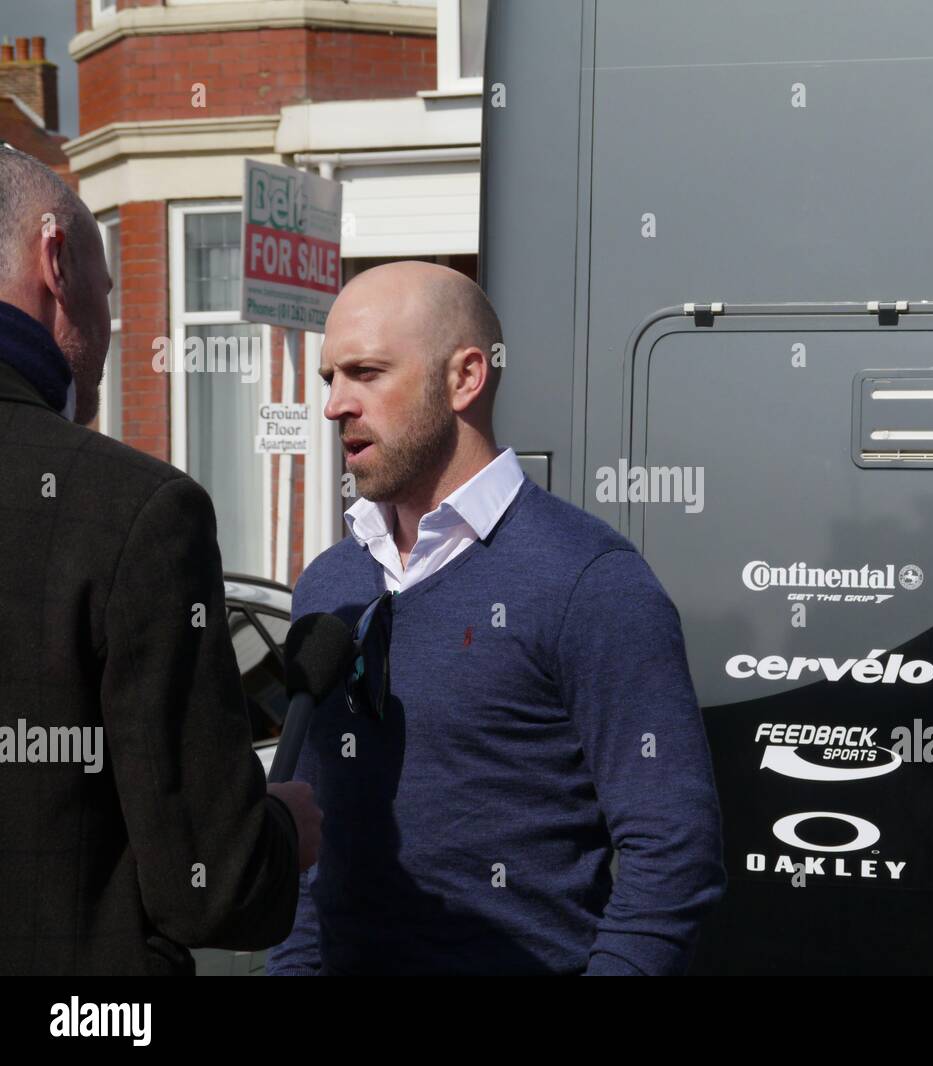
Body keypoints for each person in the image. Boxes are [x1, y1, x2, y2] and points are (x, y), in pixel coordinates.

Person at [267, 262, 725, 976]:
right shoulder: (331, 585)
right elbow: (304, 836)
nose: (334, 405)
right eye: (330, 379)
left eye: (365, 373)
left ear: (466, 378)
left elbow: (674, 851)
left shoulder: (588, 581)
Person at [0, 147, 320, 975]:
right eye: (108, 293)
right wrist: (286, 827)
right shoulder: (133, 511)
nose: (108, 330)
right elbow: (211, 887)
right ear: (56, 261)